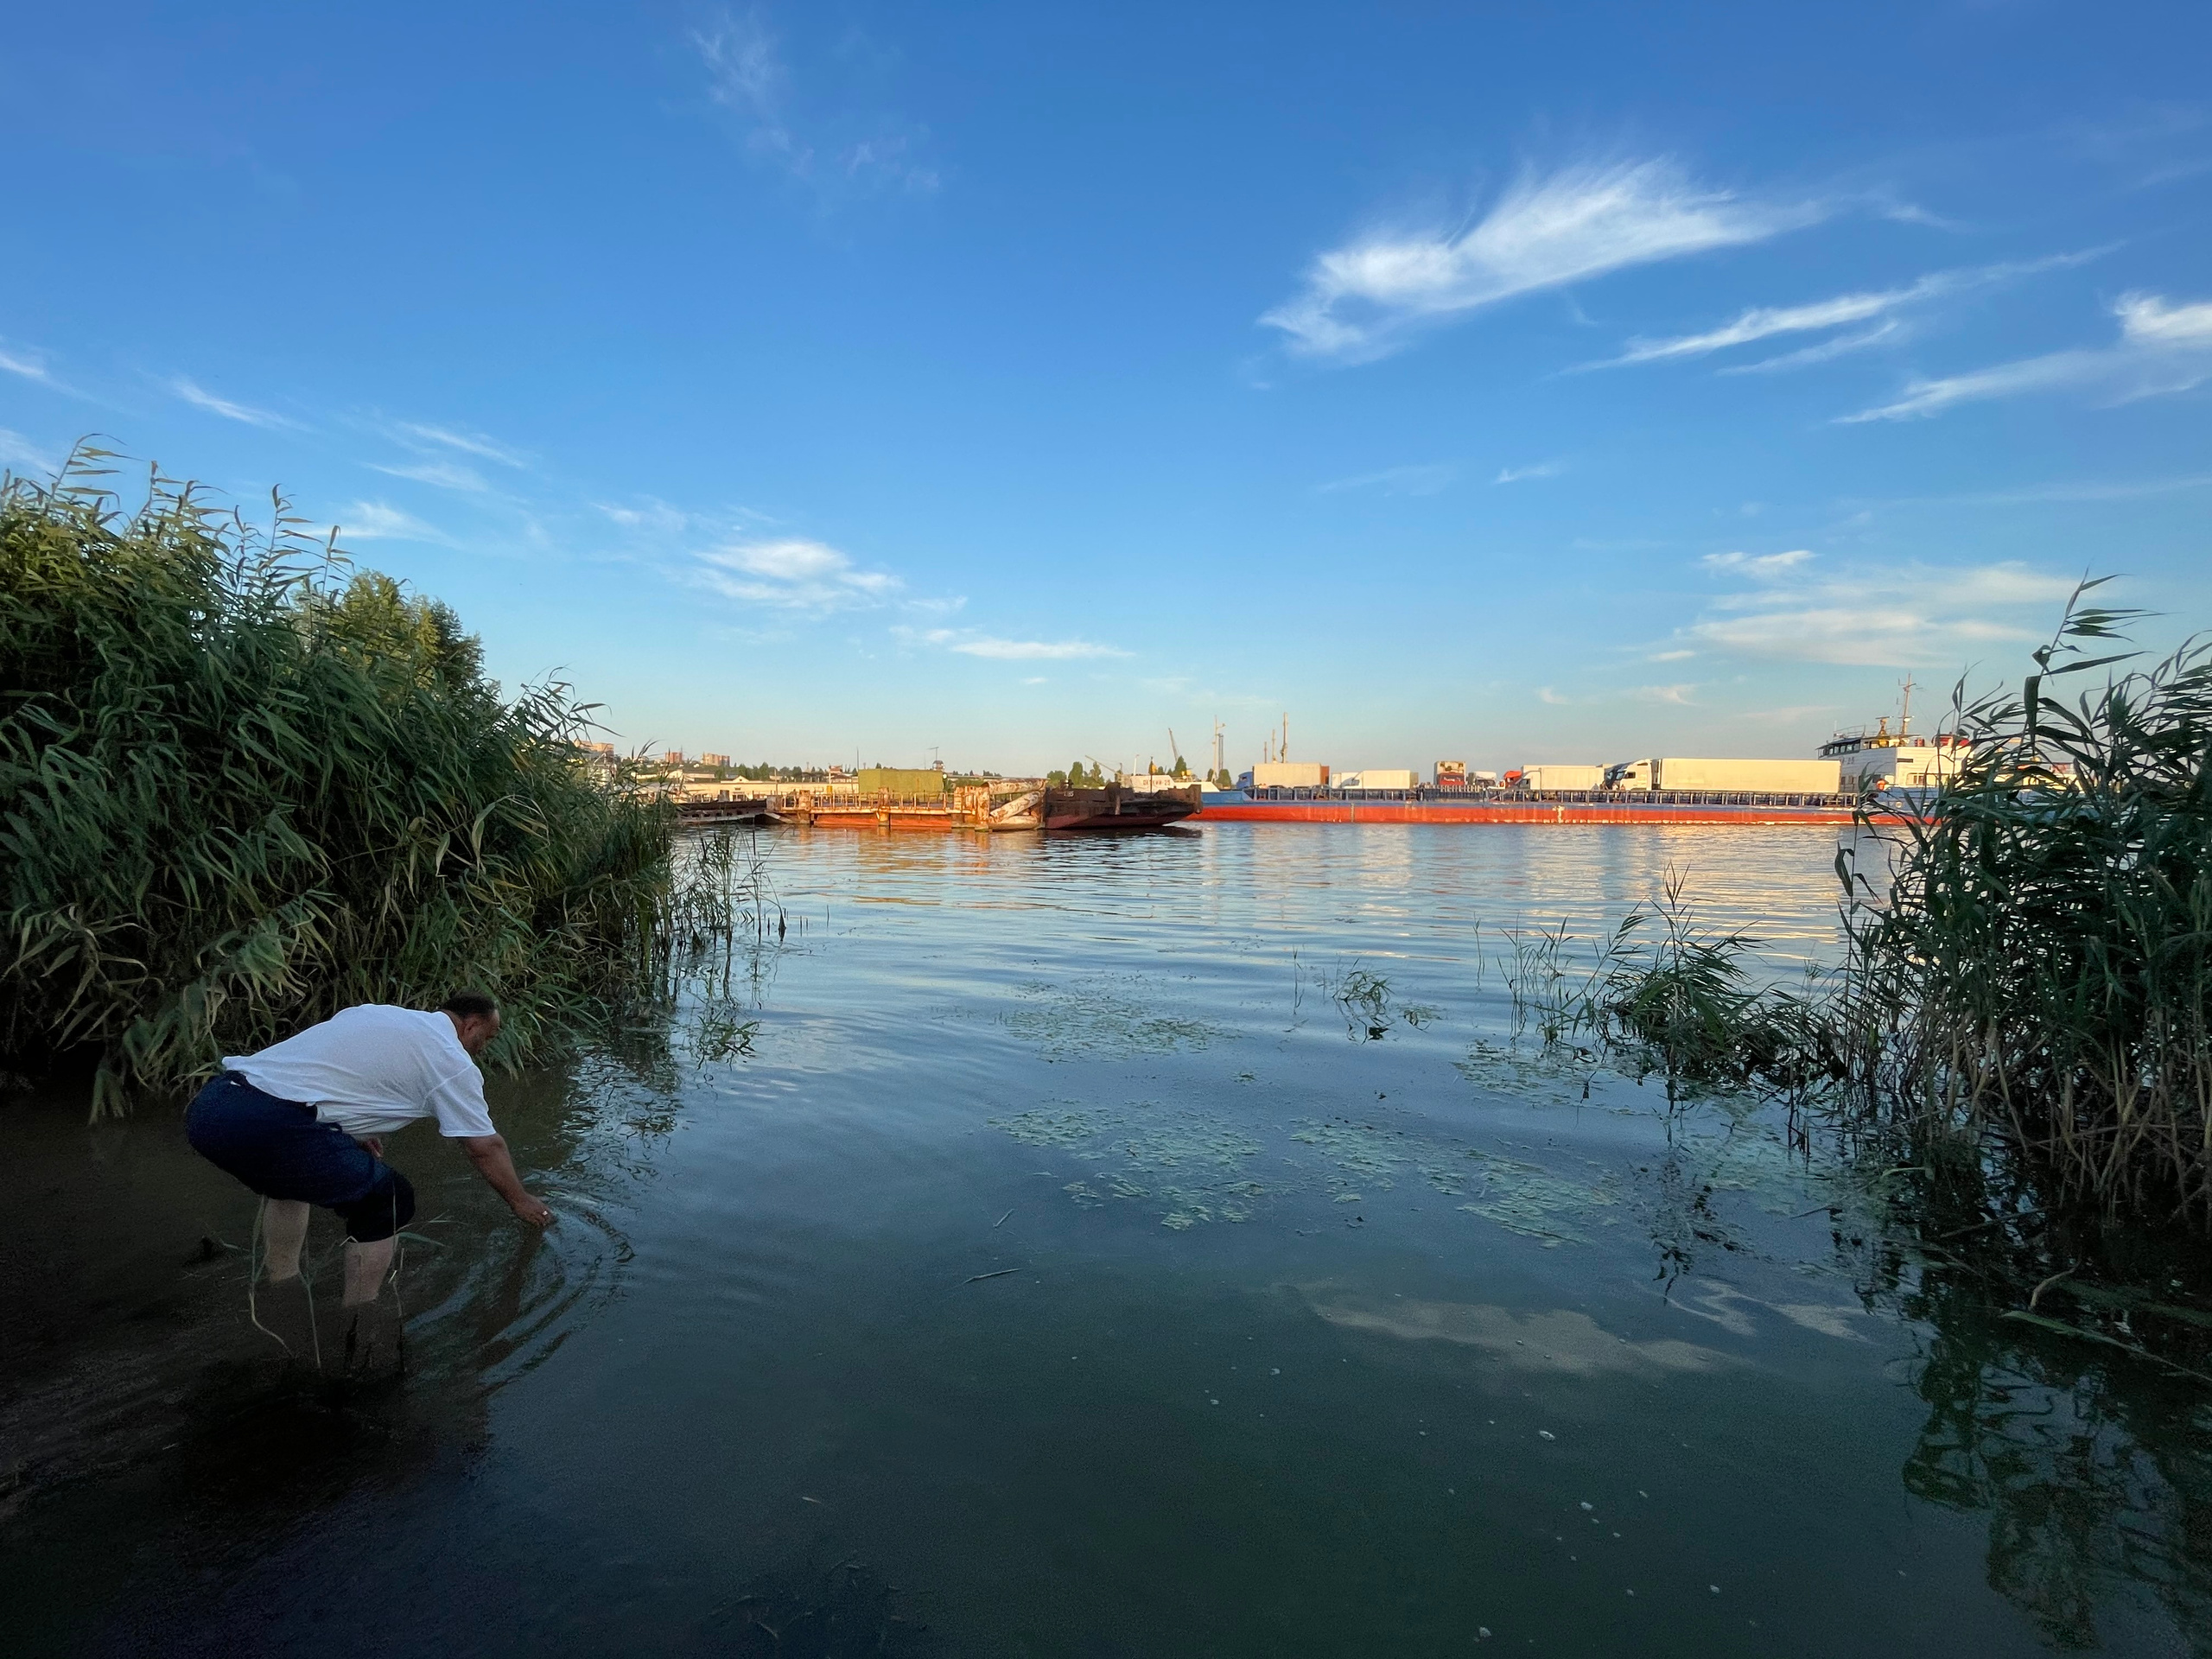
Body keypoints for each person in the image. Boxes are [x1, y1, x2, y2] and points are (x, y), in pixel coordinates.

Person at [186, 992, 554, 1342]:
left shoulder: (376, 1013)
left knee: (289, 1182)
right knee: (388, 1198)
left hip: (214, 1105)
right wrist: (519, 1200)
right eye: (485, 1039)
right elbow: (484, 1147)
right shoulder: (450, 1061)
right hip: (269, 1123)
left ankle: (281, 1286)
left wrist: (345, 1129)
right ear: (471, 1025)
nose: (482, 1050)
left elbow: (324, 1072)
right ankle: (361, 1319)